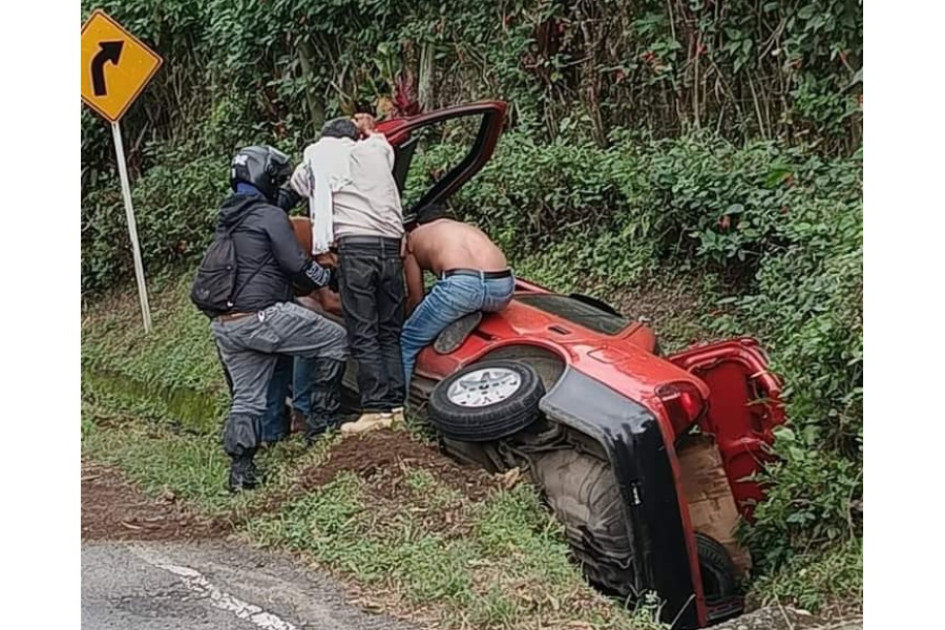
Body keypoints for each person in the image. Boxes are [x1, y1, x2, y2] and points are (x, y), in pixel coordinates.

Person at [197, 145, 348, 493]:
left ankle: (241, 473)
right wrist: (329, 279)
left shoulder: (230, 217)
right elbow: (296, 263)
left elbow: (272, 207)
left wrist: (294, 189)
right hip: (264, 317)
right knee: (335, 340)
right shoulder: (268, 217)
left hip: (227, 325)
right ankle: (321, 428)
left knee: (247, 398)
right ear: (265, 178)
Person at [291, 115, 407, 435]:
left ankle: (375, 409)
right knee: (389, 331)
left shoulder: (320, 155)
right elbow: (381, 141)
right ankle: (396, 407)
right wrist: (369, 131)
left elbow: (300, 183)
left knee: (363, 331)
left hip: (357, 251)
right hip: (391, 250)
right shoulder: (377, 151)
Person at [400, 205, 515, 388]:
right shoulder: (467, 228)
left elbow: (416, 297)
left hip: (460, 287)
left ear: (418, 224)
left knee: (407, 341)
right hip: (502, 288)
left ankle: (396, 410)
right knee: (452, 297)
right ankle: (468, 311)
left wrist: (411, 319)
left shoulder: (413, 239)